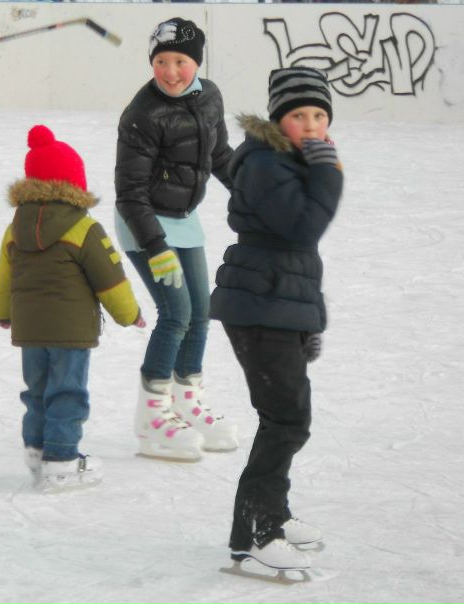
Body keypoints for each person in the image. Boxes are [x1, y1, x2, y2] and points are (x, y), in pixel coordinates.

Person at [210, 66, 343, 572]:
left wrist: (311, 324)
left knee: (287, 417)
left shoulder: (289, 159)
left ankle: (271, 518)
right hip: (257, 308)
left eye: (318, 115)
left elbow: (301, 259)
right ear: (278, 119)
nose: (310, 125)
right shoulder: (268, 163)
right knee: (286, 420)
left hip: (272, 303)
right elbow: (304, 226)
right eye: (298, 115)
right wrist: (328, 171)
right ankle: (257, 534)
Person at [0, 125, 145, 493]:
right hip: (71, 331)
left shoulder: (16, 228)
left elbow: (4, 277)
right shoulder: (84, 228)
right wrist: (129, 314)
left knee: (37, 391)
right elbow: (110, 277)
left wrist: (3, 313)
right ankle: (61, 462)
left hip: (30, 330)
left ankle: (37, 451)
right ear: (74, 183)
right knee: (67, 392)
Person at [114, 17, 238, 462]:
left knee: (201, 312)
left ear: (196, 63)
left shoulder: (209, 98)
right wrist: (155, 246)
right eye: (161, 61)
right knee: (176, 313)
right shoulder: (141, 114)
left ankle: (187, 402)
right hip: (142, 222)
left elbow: (219, 155)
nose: (170, 72)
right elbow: (129, 193)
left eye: (180, 61)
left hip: (183, 218)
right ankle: (151, 417)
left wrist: (251, 187)